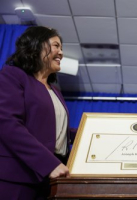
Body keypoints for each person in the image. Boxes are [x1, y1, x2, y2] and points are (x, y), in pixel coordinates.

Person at [0, 26, 76, 199]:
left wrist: (88, 134)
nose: (61, 53)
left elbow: (55, 130)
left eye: (61, 48)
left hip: (48, 181)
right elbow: (7, 123)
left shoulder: (55, 90)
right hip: (18, 178)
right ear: (36, 45)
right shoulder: (12, 76)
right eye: (56, 46)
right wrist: (48, 164)